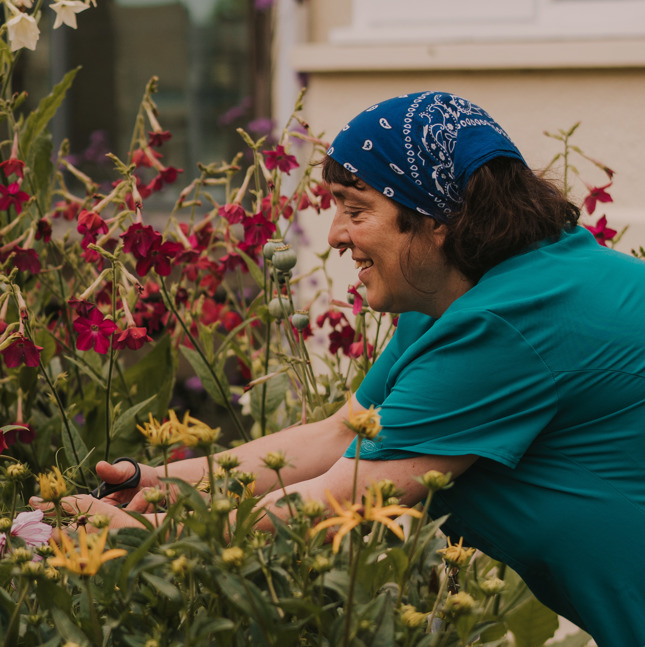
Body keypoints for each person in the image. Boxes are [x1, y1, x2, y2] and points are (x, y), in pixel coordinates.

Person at [32, 91, 645, 647]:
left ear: (436, 217)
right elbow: (343, 434)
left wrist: (136, 539)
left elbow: (341, 496)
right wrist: (160, 481)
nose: (333, 236)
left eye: (356, 210)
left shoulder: (508, 321)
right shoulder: (463, 293)